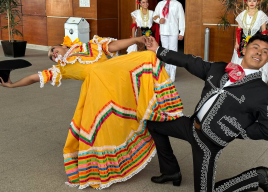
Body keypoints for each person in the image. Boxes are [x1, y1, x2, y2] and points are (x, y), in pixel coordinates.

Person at [0, 35, 184, 190]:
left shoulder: (91, 45)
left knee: (147, 58)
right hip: (102, 95)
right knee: (107, 129)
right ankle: (127, 166)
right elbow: (35, 77)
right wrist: (12, 84)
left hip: (119, 78)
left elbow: (115, 45)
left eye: (53, 50)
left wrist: (137, 39)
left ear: (63, 45)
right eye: (51, 57)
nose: (53, 55)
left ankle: (169, 128)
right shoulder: (62, 68)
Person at [145, 34, 268, 192]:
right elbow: (189, 61)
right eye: (255, 47)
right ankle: (171, 171)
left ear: (267, 59)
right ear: (244, 49)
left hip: (209, 144)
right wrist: (158, 50)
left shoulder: (264, 93)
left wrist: (234, 130)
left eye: (265, 52)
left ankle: (255, 177)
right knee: (153, 124)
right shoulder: (219, 68)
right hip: (191, 126)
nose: (259, 53)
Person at [231, 0, 268, 83]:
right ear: (246, 2)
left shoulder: (261, 15)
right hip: (243, 41)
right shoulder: (242, 14)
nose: (252, 3)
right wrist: (237, 43)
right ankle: (239, 79)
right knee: (240, 60)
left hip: (256, 41)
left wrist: (263, 45)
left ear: (257, 2)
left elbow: (264, 31)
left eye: (254, 0)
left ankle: (256, 81)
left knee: (255, 58)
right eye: (250, 1)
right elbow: (239, 30)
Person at [153, 0, 185, 82]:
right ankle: (166, 72)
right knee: (165, 52)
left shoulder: (178, 4)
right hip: (164, 31)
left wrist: (182, 32)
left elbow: (182, 19)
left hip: (174, 31)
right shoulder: (160, 4)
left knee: (173, 53)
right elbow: (154, 16)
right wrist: (159, 21)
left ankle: (172, 74)